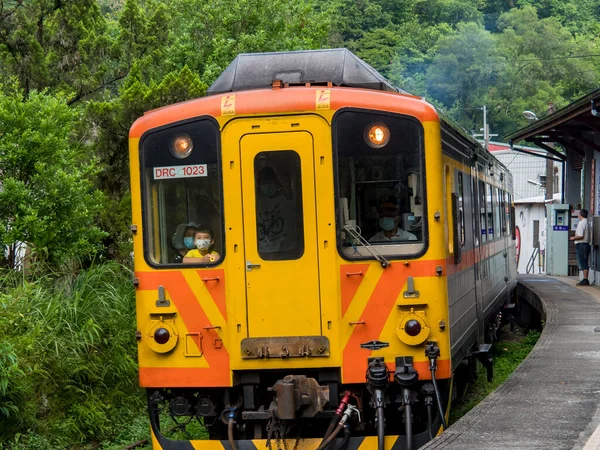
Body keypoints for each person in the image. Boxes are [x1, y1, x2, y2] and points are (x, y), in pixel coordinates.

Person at [256, 165, 299, 254]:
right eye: (265, 183)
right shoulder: (256, 200)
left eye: (271, 181)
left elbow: (286, 183)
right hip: (262, 252)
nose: (268, 186)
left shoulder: (285, 197)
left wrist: (271, 163)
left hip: (285, 249)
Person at [570, 209, 591, 286]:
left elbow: (581, 235)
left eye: (579, 214)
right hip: (586, 244)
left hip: (581, 244)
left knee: (583, 262)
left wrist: (573, 238)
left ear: (581, 215)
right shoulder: (587, 222)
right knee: (585, 261)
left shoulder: (582, 223)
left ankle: (585, 279)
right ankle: (585, 279)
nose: (578, 215)